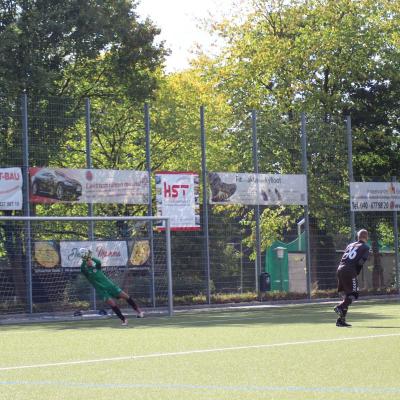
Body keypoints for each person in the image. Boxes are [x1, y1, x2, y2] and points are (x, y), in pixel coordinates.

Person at [79, 248, 144, 326]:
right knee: (112, 304)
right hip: (102, 291)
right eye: (87, 261)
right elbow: (82, 268)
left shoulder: (97, 267)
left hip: (111, 287)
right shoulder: (87, 272)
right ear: (86, 263)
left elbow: (98, 262)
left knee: (126, 296)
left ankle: (139, 312)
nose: (89, 261)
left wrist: (90, 257)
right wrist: (84, 259)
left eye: (89, 260)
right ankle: (124, 320)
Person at [334, 229, 370, 327]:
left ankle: (341, 320)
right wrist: (356, 272)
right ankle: (340, 307)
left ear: (358, 237)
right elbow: (361, 262)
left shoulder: (350, 245)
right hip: (349, 271)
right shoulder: (366, 247)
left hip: (340, 269)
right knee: (353, 295)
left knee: (346, 296)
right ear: (367, 237)